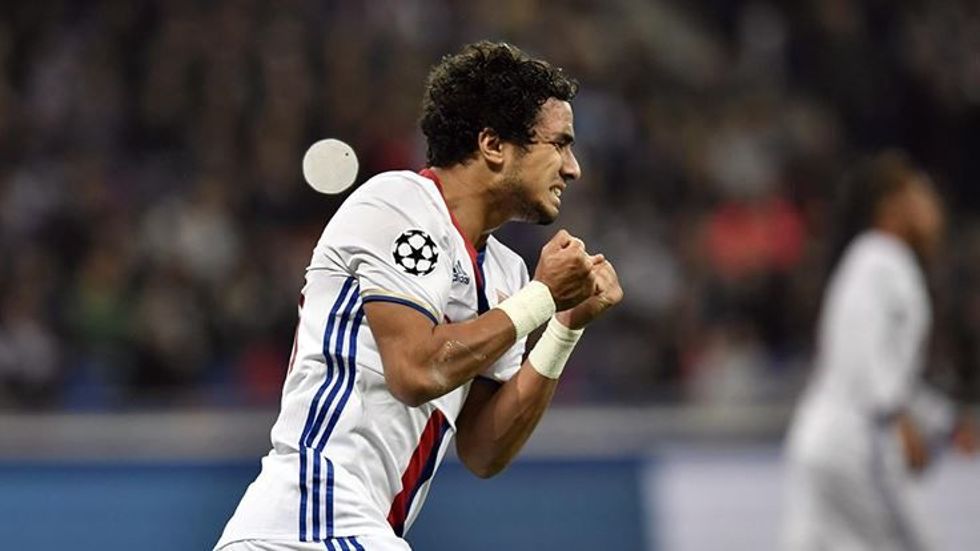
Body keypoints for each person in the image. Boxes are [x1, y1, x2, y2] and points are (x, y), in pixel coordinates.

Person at [214, 41, 623, 551]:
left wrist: (564, 325)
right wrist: (542, 298)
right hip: (307, 523)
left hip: (352, 531)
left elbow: (484, 450)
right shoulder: (397, 205)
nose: (572, 168)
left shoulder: (505, 271)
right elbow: (414, 372)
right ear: (493, 144)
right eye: (559, 144)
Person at [783, 151, 973, 550]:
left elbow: (888, 372)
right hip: (856, 444)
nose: (934, 208)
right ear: (892, 207)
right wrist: (897, 419)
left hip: (823, 440)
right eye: (922, 196)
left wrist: (945, 423)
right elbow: (865, 355)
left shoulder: (870, 260)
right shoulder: (881, 259)